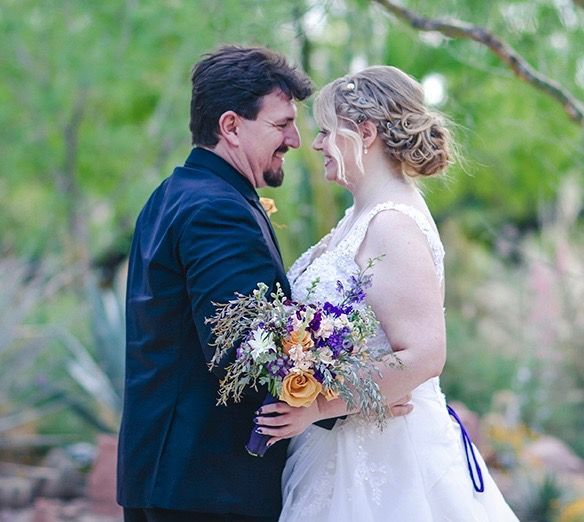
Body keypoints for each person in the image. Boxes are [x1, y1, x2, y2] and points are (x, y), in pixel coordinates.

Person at [116, 47, 412, 522]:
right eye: (280, 125)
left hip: (170, 478)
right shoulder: (218, 211)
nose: (297, 140)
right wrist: (356, 398)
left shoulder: (174, 194)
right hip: (207, 487)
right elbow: (247, 346)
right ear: (230, 126)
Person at [255, 66, 519, 521]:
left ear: (366, 132)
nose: (315, 144)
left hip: (388, 457)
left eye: (325, 132)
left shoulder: (394, 223)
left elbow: (423, 355)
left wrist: (319, 406)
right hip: (340, 445)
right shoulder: (358, 217)